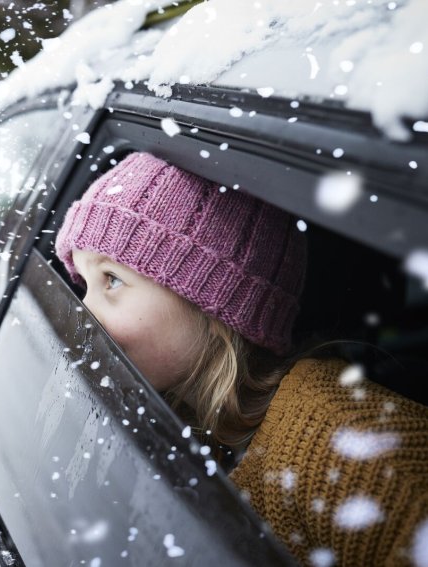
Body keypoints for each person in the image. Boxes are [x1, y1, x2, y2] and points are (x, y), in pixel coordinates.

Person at [54, 152, 428, 566]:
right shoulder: (175, 414)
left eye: (112, 279)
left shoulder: (339, 440)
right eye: (84, 284)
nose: (83, 314)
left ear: (212, 306)